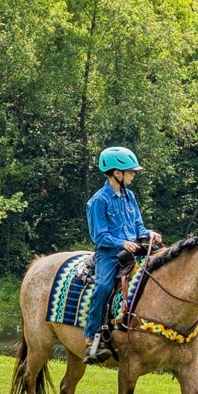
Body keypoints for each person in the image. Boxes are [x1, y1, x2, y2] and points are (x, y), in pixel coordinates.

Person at [83, 146, 162, 361]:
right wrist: (122, 243)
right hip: (109, 255)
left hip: (133, 250)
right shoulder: (98, 201)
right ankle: (91, 336)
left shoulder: (130, 196)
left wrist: (149, 234)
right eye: (131, 171)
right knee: (103, 287)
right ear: (117, 173)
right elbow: (99, 236)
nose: (134, 174)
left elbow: (138, 226)